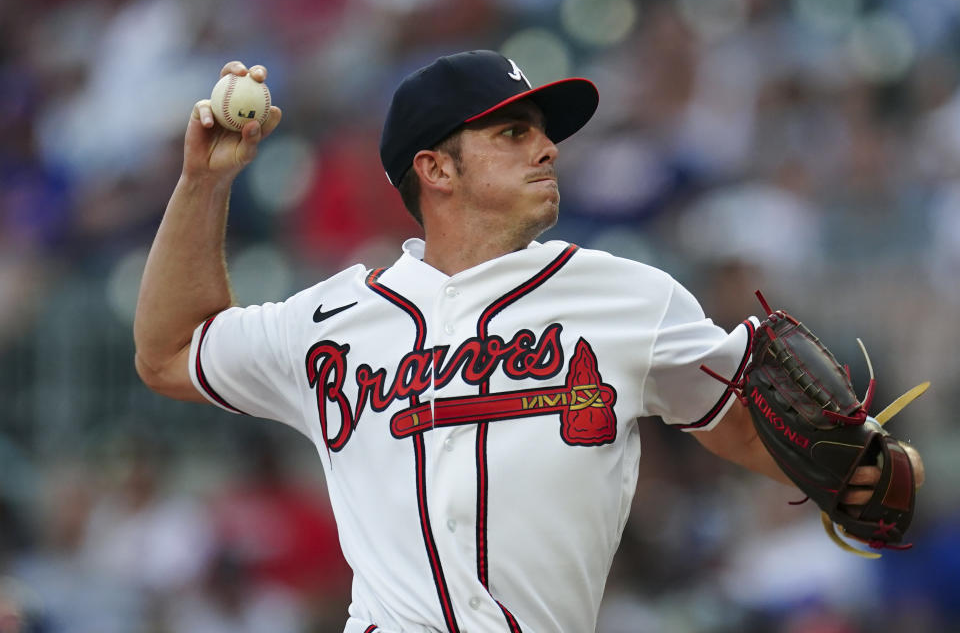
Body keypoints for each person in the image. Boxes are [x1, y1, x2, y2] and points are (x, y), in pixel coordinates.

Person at [134, 51, 924, 633]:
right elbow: (170, 352)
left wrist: (859, 473)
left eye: (543, 133)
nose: (546, 149)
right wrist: (204, 184)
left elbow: (751, 426)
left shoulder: (627, 296)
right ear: (435, 168)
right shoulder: (329, 322)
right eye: (512, 133)